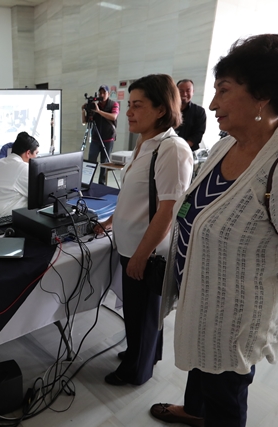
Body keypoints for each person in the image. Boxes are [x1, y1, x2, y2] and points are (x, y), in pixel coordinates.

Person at [150, 34, 278, 427]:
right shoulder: (225, 146)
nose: (212, 103)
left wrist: (265, 302)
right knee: (203, 367)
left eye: (224, 90)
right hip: (202, 301)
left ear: (263, 94)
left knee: (226, 392)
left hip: (235, 320)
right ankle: (194, 411)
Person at [94, 75, 193, 386]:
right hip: (130, 244)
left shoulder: (171, 149)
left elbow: (167, 211)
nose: (128, 112)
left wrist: (141, 256)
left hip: (147, 251)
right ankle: (142, 353)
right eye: (129, 105)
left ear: (161, 109)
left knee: (144, 314)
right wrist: (109, 223)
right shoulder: (144, 143)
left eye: (138, 106)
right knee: (138, 313)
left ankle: (137, 371)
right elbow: (133, 197)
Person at [0, 132, 39, 219]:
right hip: (3, 219)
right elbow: (41, 195)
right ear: (28, 153)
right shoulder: (22, 168)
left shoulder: (1, 162)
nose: (37, 157)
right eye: (36, 153)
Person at [81, 85, 119, 185]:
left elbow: (114, 117)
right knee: (91, 161)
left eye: (104, 93)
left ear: (108, 94)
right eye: (100, 93)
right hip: (95, 138)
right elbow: (85, 122)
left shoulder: (113, 104)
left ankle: (101, 184)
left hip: (108, 139)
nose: (101, 95)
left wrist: (98, 111)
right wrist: (83, 111)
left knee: (104, 163)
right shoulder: (95, 105)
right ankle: (87, 182)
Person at [175, 79, 207, 151]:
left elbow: (198, 134)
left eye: (188, 90)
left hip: (187, 151)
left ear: (193, 92)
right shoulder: (168, 110)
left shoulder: (199, 111)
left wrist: (180, 148)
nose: (185, 94)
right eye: (181, 91)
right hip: (166, 149)